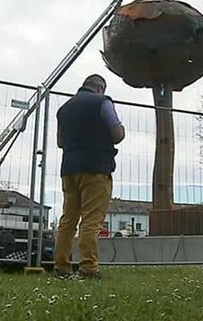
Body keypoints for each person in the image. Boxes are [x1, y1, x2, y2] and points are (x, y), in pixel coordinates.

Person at [54, 74, 125, 279]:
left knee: (68, 219)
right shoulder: (103, 102)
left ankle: (61, 266)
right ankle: (88, 267)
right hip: (96, 168)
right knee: (91, 220)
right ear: (100, 88)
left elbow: (60, 142)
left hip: (69, 170)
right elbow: (117, 135)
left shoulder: (64, 109)